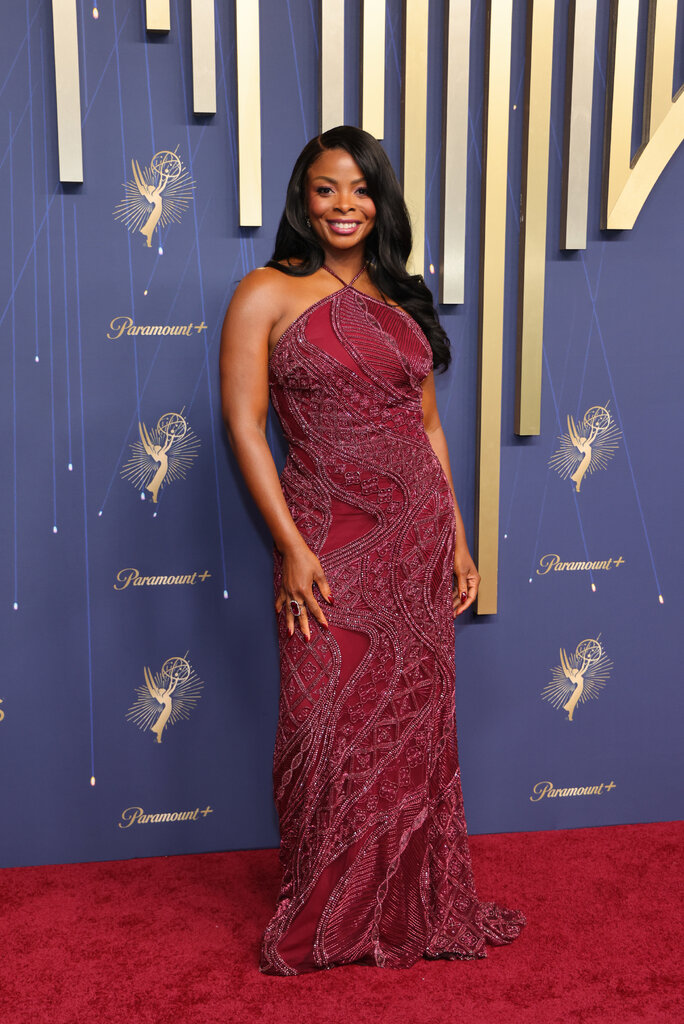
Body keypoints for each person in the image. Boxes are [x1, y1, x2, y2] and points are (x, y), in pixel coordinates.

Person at [219, 125, 525, 975]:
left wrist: (459, 540)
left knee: (408, 731)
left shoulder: (403, 298)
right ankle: (331, 906)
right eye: (325, 189)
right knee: (324, 723)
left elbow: (428, 427)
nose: (343, 205)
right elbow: (245, 424)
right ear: (302, 199)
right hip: (325, 538)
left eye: (359, 190)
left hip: (418, 539)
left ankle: (405, 903)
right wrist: (287, 544)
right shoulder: (265, 293)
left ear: (381, 200)